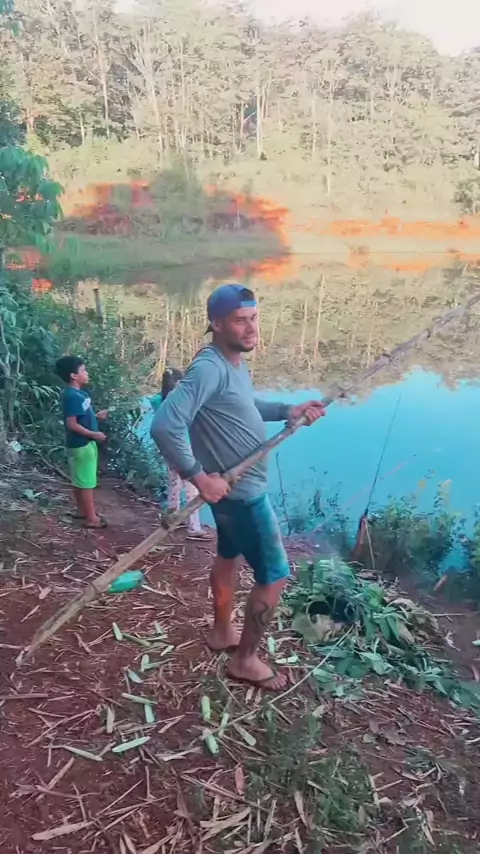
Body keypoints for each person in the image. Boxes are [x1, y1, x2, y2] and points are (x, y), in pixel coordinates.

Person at [151, 283, 325, 691]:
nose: (251, 328)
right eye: (240, 320)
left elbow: (245, 405)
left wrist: (288, 410)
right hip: (242, 495)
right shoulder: (210, 368)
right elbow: (164, 424)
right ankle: (245, 660)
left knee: (228, 555)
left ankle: (222, 632)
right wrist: (198, 476)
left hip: (232, 494)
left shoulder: (232, 364)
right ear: (216, 323)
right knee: (275, 575)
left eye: (254, 318)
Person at [150, 368, 212, 541]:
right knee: (192, 487)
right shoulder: (180, 401)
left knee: (174, 484)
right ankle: (194, 528)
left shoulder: (157, 400)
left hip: (168, 448)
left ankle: (173, 517)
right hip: (184, 447)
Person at [55, 355, 108, 529]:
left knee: (80, 479)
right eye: (83, 370)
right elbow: (71, 424)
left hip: (85, 444)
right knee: (86, 483)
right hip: (81, 445)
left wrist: (96, 416)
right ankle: (92, 518)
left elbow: (82, 417)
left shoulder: (80, 394)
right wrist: (94, 434)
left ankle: (81, 511)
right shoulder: (71, 396)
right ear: (73, 376)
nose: (87, 373)